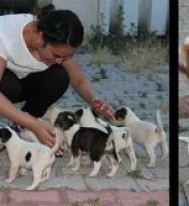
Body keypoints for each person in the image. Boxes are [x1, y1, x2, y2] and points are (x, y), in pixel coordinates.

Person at [0, 5, 114, 149]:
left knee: (59, 76)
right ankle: (28, 124)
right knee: (10, 86)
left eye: (67, 56)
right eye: (56, 55)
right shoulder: (5, 35)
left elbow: (78, 80)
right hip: (6, 85)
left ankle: (21, 128)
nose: (61, 61)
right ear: (41, 38)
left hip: (22, 82)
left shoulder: (58, 40)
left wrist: (93, 100)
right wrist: (33, 123)